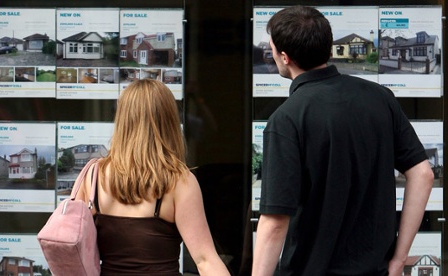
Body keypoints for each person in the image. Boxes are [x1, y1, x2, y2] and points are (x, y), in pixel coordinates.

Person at [252, 6, 433, 276]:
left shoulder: (287, 119)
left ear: (285, 57)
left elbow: (275, 221)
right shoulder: (379, 98)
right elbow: (423, 174)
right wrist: (398, 259)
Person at [76, 79, 230, 275]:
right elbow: (205, 260)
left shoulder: (94, 176)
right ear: (169, 122)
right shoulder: (179, 182)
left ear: (122, 121)